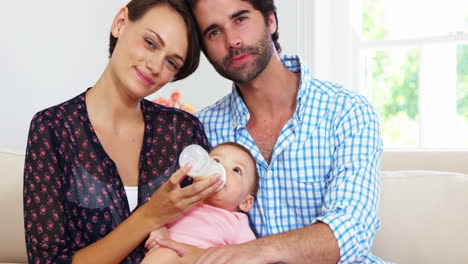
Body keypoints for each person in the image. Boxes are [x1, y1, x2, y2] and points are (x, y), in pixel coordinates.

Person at [154, 0, 387, 263]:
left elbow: (352, 230)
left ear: (270, 20)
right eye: (214, 32)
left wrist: (251, 252)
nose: (233, 41)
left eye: (240, 19)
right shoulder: (201, 128)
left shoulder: (347, 111)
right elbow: (174, 216)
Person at [22, 0, 224, 263]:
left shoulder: (182, 131)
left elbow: (216, 222)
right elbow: (47, 260)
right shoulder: (53, 128)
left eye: (171, 63)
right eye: (150, 43)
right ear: (120, 23)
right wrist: (150, 215)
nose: (154, 66)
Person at [141, 142, 259, 263]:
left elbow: (249, 256)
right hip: (167, 254)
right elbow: (155, 213)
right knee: (163, 254)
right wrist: (160, 231)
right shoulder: (181, 201)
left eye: (236, 170)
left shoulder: (236, 223)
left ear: (245, 202)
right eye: (216, 161)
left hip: (203, 260)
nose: (221, 169)